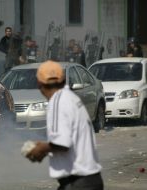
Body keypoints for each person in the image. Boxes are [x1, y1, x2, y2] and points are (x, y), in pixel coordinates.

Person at [25, 60, 104, 190]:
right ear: (63, 80)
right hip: (89, 180)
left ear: (40, 83)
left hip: (78, 183)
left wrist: (39, 149)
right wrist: (45, 151)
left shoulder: (57, 101)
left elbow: (61, 144)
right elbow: (68, 141)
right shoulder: (70, 98)